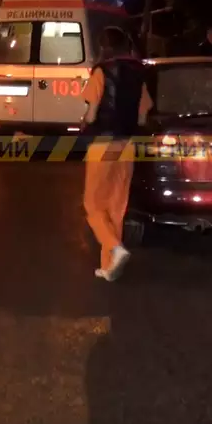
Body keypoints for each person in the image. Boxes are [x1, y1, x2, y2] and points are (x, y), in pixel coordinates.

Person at [81, 27, 154, 282]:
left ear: (104, 48)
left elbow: (91, 115)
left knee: (93, 205)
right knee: (116, 206)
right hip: (127, 146)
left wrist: (84, 121)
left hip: (103, 145)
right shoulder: (138, 74)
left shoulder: (101, 71)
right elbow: (143, 116)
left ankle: (115, 247)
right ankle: (109, 266)